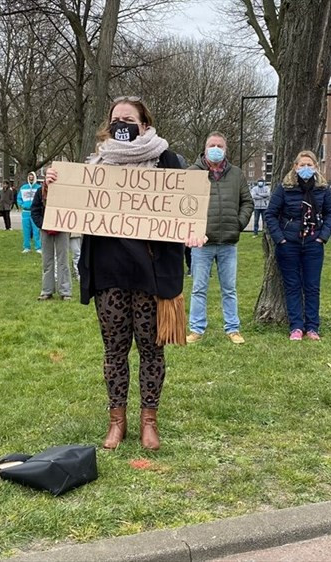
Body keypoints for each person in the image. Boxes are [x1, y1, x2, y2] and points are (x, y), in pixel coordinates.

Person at [44, 95, 204, 451]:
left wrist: (194, 230)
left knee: (151, 349)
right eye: (116, 119)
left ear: (144, 124)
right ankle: (117, 421)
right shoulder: (95, 165)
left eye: (129, 119)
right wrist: (53, 186)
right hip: (108, 274)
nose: (123, 126)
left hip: (151, 275)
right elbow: (57, 210)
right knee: (114, 351)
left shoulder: (168, 162)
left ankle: (150, 421)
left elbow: (185, 212)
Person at [185, 132, 253, 344]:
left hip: (228, 243)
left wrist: (238, 223)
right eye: (212, 145)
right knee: (198, 288)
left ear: (226, 149)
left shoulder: (237, 175)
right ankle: (196, 329)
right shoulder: (192, 173)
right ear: (205, 149)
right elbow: (183, 204)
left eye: (220, 145)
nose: (216, 149)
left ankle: (233, 329)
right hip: (201, 243)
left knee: (229, 289)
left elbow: (247, 202)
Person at [266, 151, 331, 341]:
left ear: (315, 167)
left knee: (312, 286)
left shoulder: (323, 190)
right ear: (295, 167)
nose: (306, 168)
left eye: (309, 165)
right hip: (289, 243)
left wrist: (323, 237)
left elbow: (330, 213)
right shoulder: (285, 188)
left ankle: (313, 326)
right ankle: (296, 326)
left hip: (314, 242)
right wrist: (280, 238)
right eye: (302, 165)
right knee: (292, 286)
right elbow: (271, 214)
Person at [30, 182, 72, 300]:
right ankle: (47, 290)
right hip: (45, 229)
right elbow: (35, 210)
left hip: (61, 228)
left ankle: (65, 291)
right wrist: (43, 224)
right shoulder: (40, 192)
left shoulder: (63, 192)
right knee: (47, 260)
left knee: (63, 260)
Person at [18, 172, 42, 253]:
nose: (31, 179)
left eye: (32, 177)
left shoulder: (39, 188)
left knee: (36, 230)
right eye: (30, 177)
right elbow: (19, 198)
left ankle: (38, 247)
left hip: (35, 212)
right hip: (25, 212)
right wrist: (22, 205)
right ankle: (26, 247)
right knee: (26, 230)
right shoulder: (23, 188)